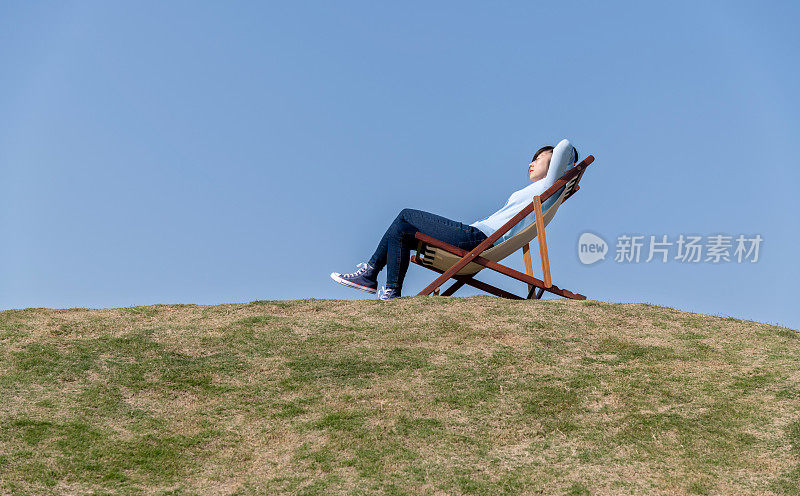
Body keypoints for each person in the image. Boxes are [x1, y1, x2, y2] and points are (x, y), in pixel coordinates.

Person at [331, 140, 578, 300]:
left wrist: (566, 158)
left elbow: (566, 145)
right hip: (478, 237)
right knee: (403, 228)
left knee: (405, 215)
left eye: (540, 157)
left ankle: (372, 274)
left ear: (557, 161)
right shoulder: (543, 190)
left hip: (477, 239)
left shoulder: (551, 185)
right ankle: (388, 289)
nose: (531, 163)